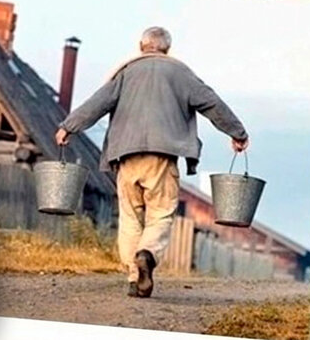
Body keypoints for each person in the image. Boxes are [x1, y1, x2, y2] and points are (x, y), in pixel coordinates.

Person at [53, 27, 249, 299]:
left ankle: (135, 279)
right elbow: (212, 103)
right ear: (167, 49)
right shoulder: (182, 74)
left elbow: (97, 103)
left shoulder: (125, 73)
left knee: (131, 218)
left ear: (141, 46)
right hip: (162, 157)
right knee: (160, 214)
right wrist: (237, 133)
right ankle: (148, 254)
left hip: (125, 156)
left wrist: (68, 127)